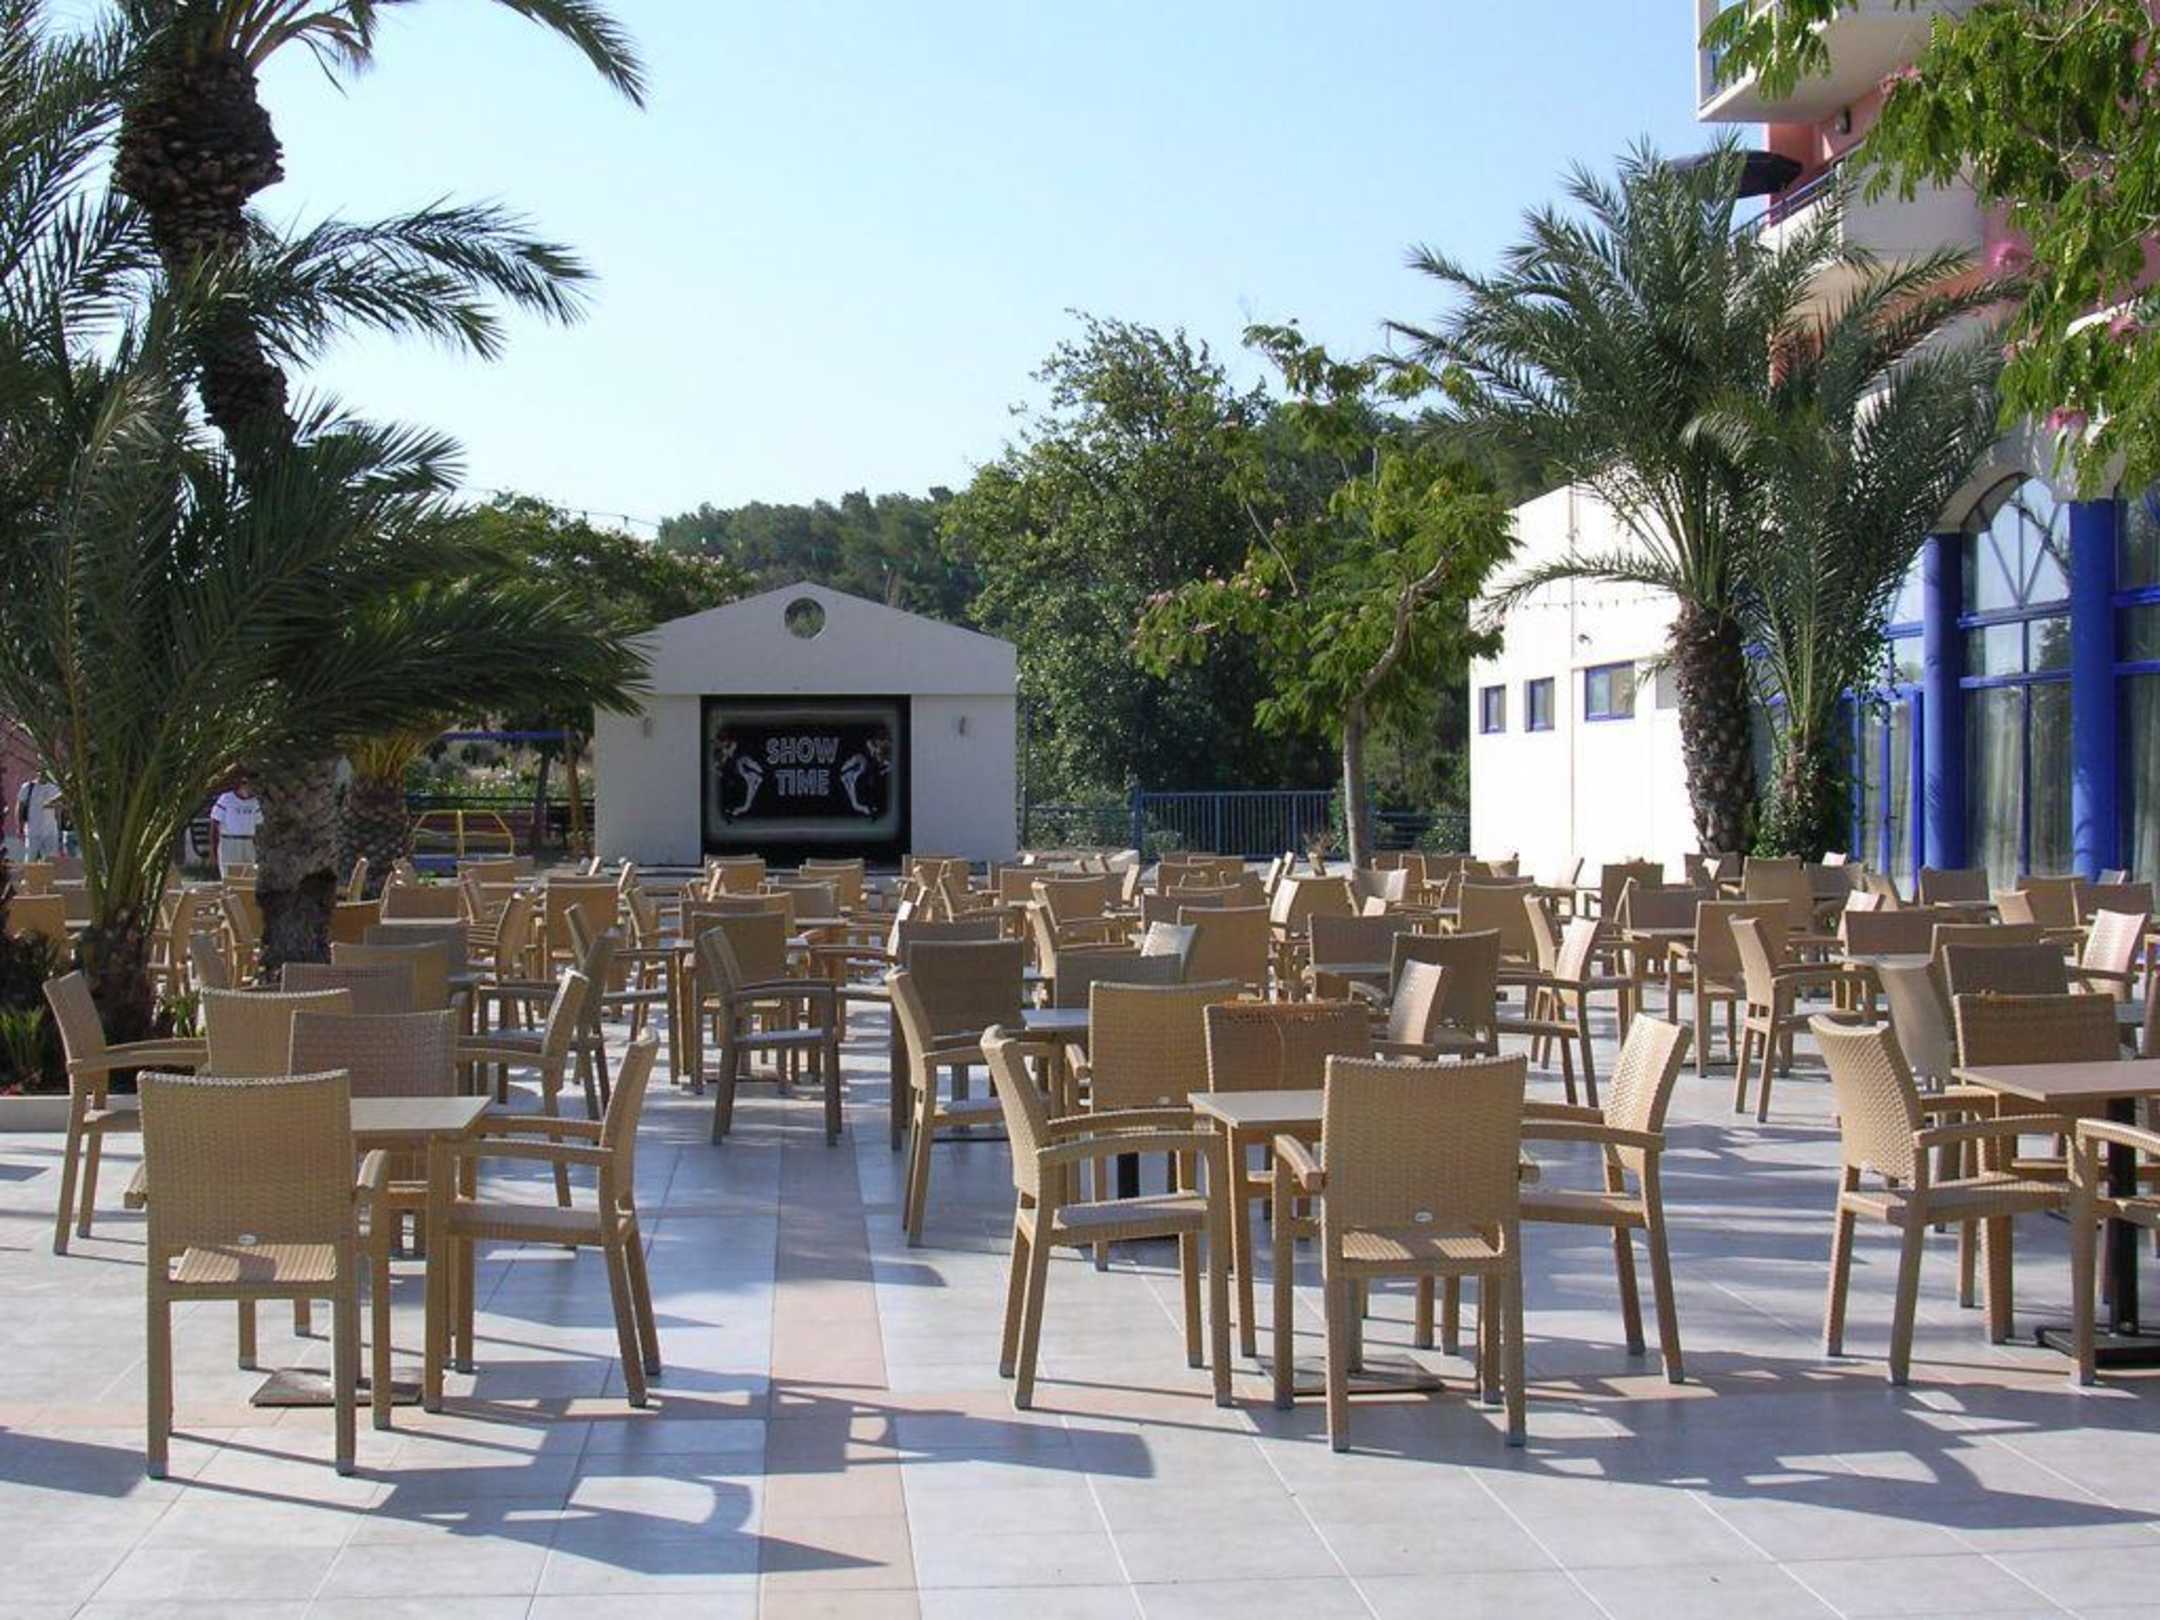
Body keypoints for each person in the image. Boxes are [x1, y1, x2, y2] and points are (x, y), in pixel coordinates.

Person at [209, 776, 261, 875]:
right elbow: (214, 822)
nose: (248, 787)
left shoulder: (255, 802)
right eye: (245, 783)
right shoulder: (226, 799)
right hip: (229, 842)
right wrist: (213, 850)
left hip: (248, 843)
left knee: (248, 877)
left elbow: (258, 825)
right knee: (230, 877)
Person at [18, 774, 62, 862]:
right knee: (31, 859)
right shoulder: (28, 787)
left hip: (51, 832)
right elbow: (20, 808)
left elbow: (58, 810)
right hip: (32, 831)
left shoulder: (54, 788)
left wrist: (59, 827)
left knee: (52, 860)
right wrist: (20, 826)